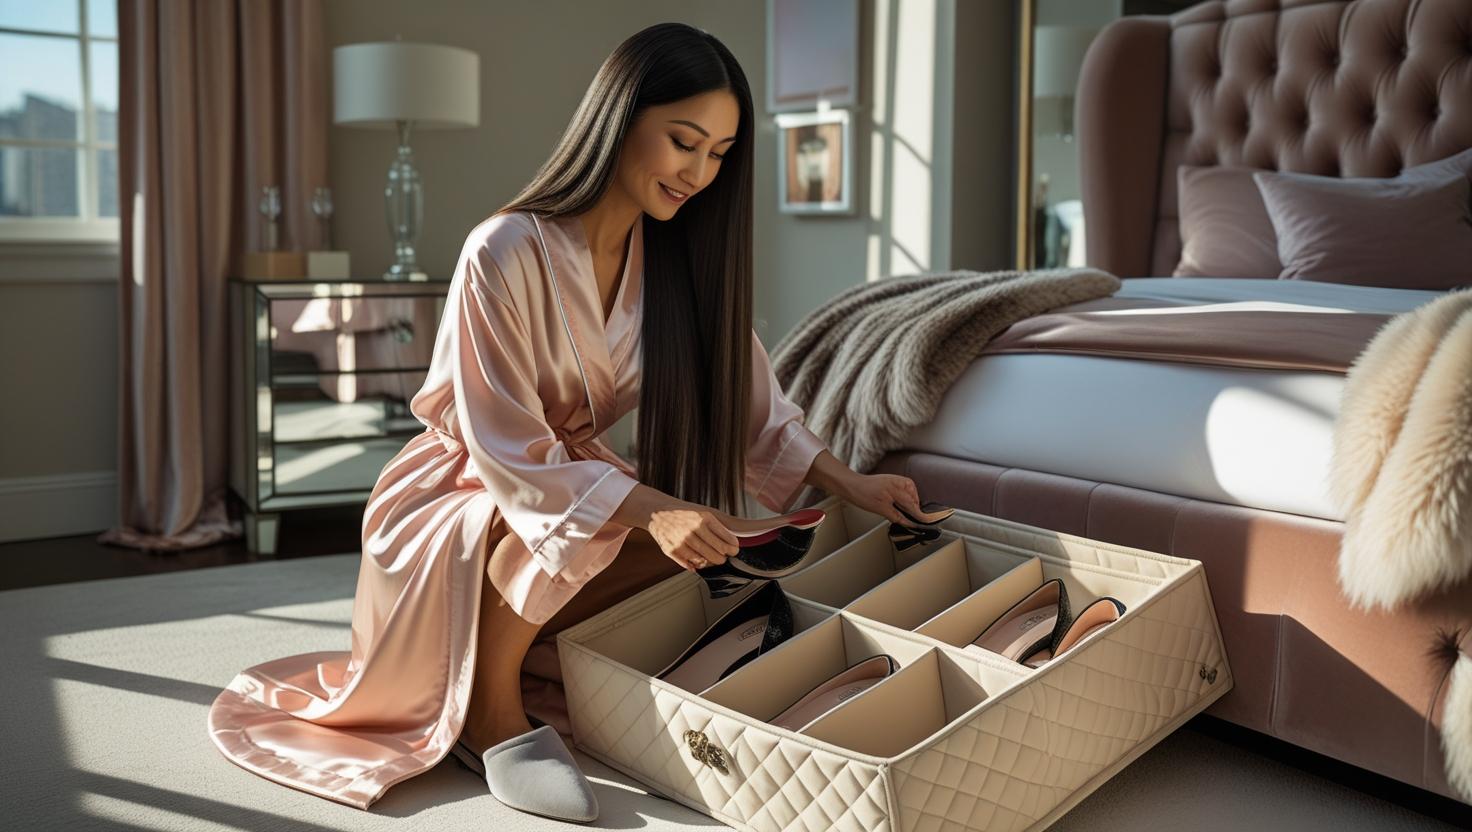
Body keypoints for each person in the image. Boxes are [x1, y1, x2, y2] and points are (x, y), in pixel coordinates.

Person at [206, 21, 927, 821]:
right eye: (682, 141)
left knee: (712, 545)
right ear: (620, 121)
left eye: (719, 154)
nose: (698, 172)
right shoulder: (502, 250)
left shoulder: (676, 266)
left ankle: (526, 662)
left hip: (569, 487)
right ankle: (490, 713)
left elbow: (760, 411)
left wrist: (851, 483)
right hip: (460, 497)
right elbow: (511, 450)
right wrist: (657, 509)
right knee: (610, 515)